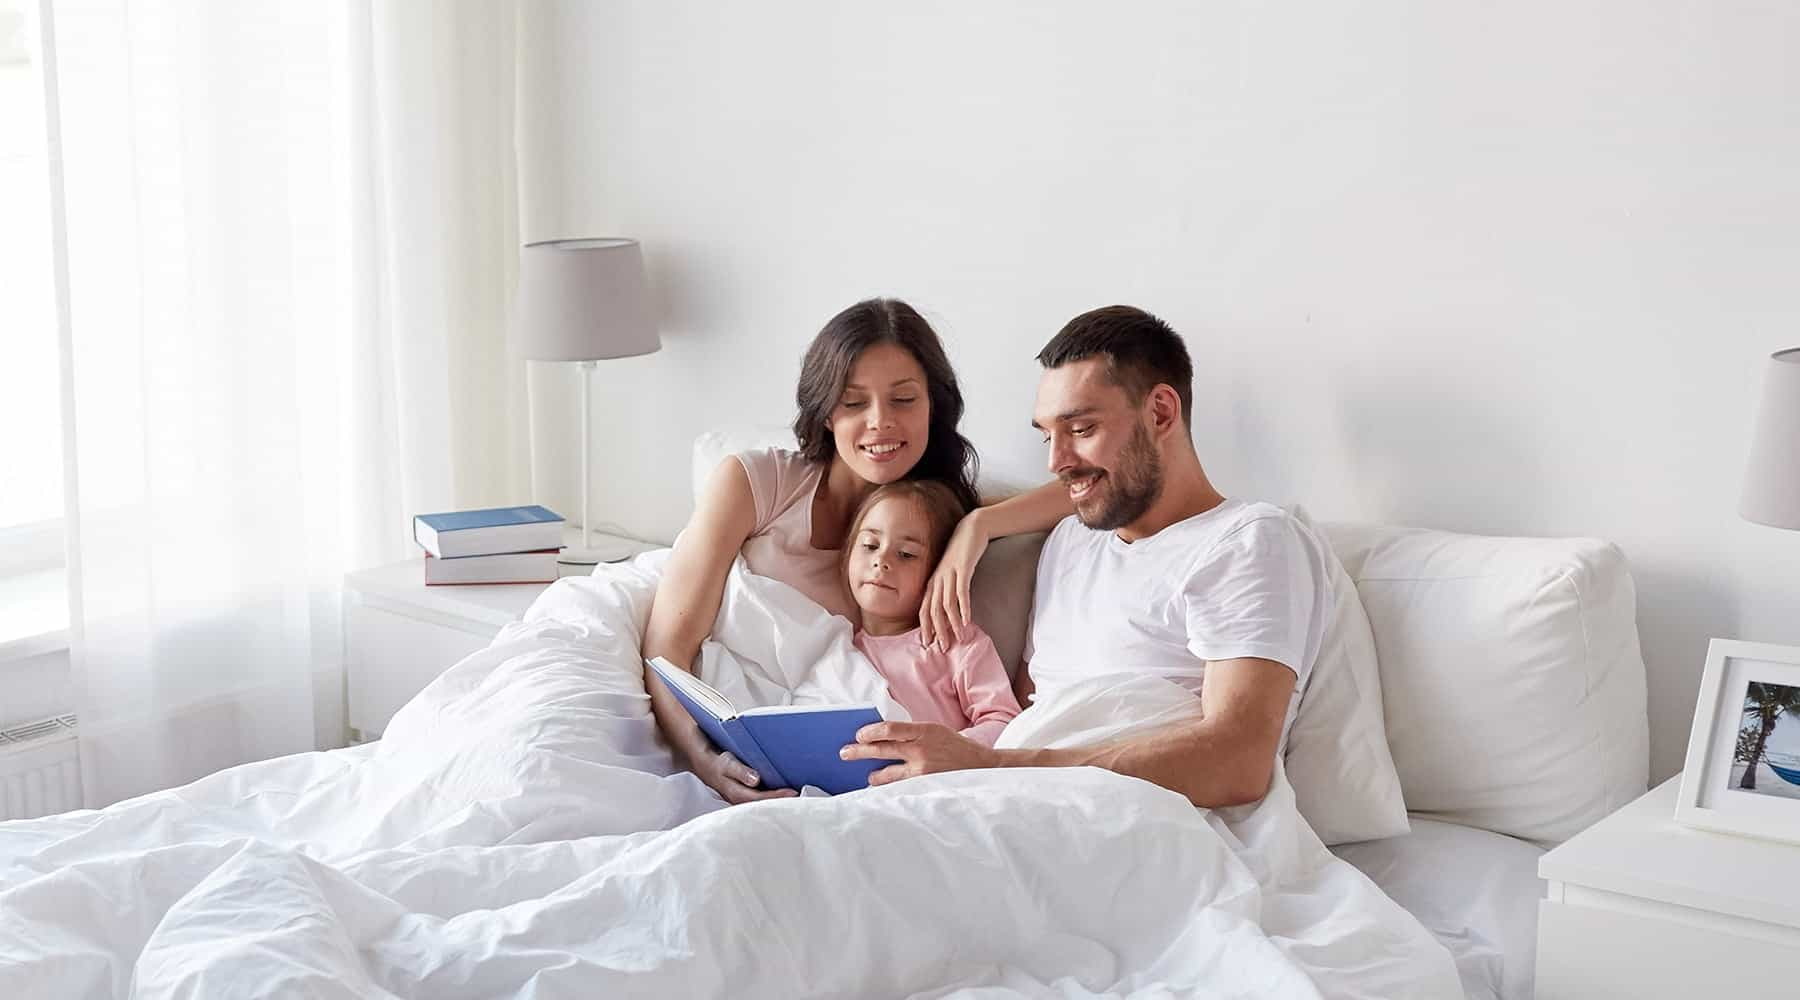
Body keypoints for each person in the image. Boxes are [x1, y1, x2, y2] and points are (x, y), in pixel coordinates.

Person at [843, 305, 1333, 809]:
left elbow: (1238, 760)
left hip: (1136, 819)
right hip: (1010, 802)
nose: (1055, 461)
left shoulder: (1247, 541)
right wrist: (977, 524)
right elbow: (1031, 716)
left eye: (1080, 429)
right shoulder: (1071, 541)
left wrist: (985, 766)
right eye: (1046, 435)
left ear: (1161, 413)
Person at [642, 297, 1064, 804]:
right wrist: (705, 760)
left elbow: (1080, 493)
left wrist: (978, 525)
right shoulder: (759, 483)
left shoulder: (930, 513)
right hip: (711, 743)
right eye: (854, 401)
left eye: (904, 400)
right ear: (825, 412)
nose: (880, 422)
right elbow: (669, 647)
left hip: (834, 774)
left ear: (935, 405)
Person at [843, 481, 1020, 746]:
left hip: (934, 779)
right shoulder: (837, 645)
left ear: (940, 571)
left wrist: (945, 749)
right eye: (870, 545)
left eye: (906, 554)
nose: (882, 560)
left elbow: (1004, 722)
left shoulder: (957, 643)